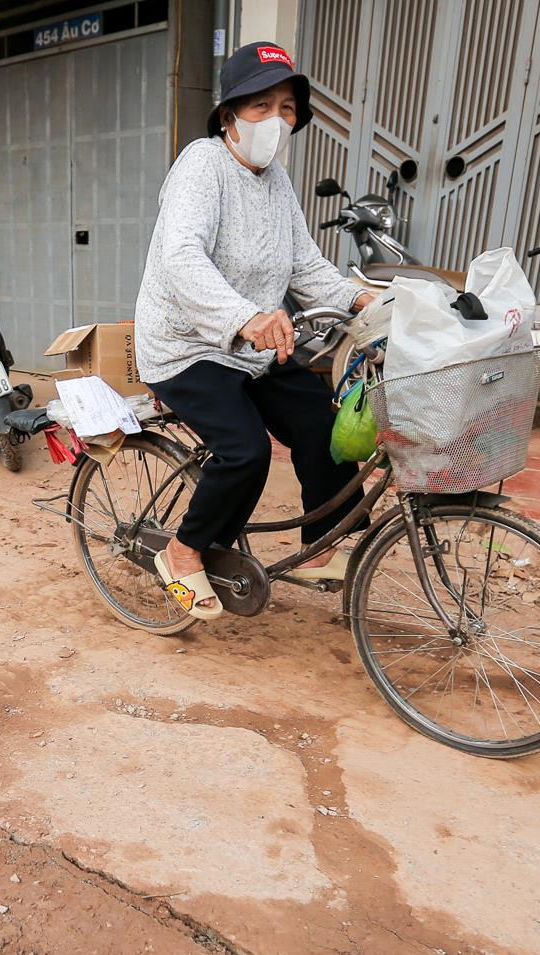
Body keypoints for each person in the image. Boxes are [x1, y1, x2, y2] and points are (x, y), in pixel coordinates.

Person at [133, 43, 374, 620]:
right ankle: (184, 552)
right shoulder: (202, 165)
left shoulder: (277, 183)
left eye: (286, 108)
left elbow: (305, 266)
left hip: (254, 350)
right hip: (186, 346)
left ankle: (322, 545)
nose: (275, 120)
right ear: (229, 116)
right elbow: (181, 259)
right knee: (245, 450)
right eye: (260, 105)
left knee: (325, 424)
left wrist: (367, 298)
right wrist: (246, 316)